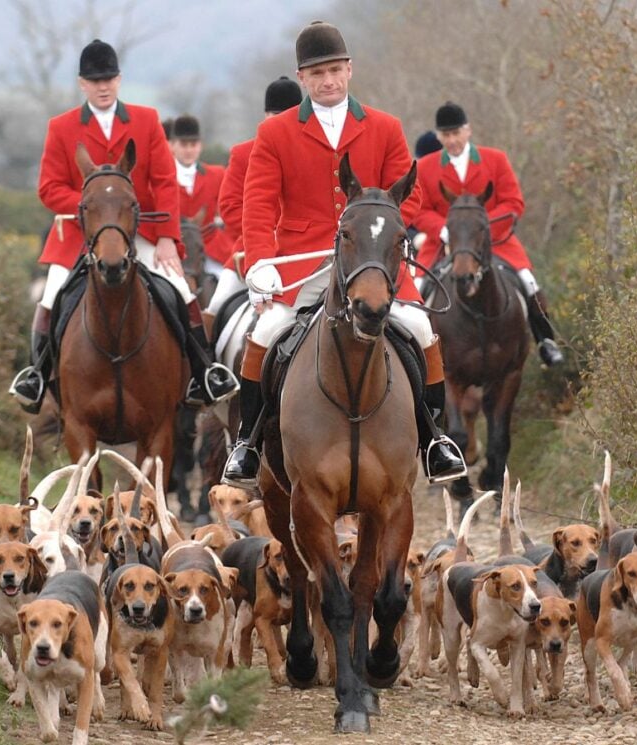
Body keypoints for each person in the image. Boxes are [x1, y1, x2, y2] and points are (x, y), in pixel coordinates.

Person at [221, 21, 466, 487]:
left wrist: (374, 222)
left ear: (350, 69)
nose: (328, 81)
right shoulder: (274, 133)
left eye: (335, 70)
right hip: (302, 259)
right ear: (302, 78)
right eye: (317, 74)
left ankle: (435, 439)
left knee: (419, 326)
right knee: (265, 331)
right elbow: (258, 203)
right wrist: (261, 261)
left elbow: (406, 195)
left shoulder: (385, 126)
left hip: (372, 258)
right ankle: (248, 444)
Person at [8, 39, 239, 413]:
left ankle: (203, 372)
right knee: (50, 297)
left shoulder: (146, 120)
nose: (103, 86)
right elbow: (48, 189)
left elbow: (165, 182)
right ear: (82, 83)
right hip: (77, 236)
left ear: (119, 80)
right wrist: (94, 208)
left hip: (142, 232)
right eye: (95, 80)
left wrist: (166, 238)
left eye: (109, 79)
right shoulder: (62, 127)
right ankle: (36, 376)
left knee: (183, 291)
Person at [411, 102, 564, 366]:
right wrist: (445, 230)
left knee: (529, 283)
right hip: (442, 244)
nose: (452, 140)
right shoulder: (425, 167)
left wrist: (479, 231)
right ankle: (416, 359)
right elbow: (418, 210)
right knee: (414, 295)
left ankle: (545, 341)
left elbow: (513, 203)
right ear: (439, 137)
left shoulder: (495, 159)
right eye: (446, 135)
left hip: (495, 242)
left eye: (457, 133)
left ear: (468, 131)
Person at [207, 75, 303, 326]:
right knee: (216, 306)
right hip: (251, 249)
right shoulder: (242, 153)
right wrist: (264, 234)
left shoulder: (314, 151)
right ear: (265, 117)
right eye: (275, 117)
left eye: (289, 117)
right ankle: (207, 366)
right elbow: (229, 207)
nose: (282, 125)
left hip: (304, 249)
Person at [169, 114, 231, 278]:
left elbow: (228, 207)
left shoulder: (217, 174)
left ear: (200, 146)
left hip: (211, 248)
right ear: (172, 146)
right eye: (183, 144)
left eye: (193, 144)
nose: (189, 150)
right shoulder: (163, 178)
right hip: (176, 249)